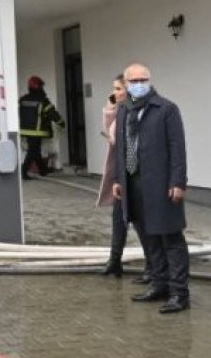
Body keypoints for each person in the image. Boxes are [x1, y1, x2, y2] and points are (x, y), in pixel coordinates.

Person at [111, 63, 191, 314]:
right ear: (126, 83)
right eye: (133, 80)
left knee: (171, 237)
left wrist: (178, 181)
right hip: (133, 182)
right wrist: (117, 179)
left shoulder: (166, 109)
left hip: (160, 183)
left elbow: (177, 147)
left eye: (143, 79)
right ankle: (159, 285)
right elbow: (121, 148)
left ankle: (179, 293)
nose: (138, 83)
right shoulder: (124, 110)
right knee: (148, 236)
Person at [95, 75, 133, 278]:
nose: (114, 93)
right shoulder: (121, 111)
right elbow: (111, 131)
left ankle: (154, 269)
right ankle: (114, 261)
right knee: (119, 219)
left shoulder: (133, 112)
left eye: (118, 88)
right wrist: (110, 107)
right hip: (121, 174)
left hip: (132, 174)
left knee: (141, 223)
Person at [18, 75, 64, 179]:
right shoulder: (43, 101)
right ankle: (23, 172)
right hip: (37, 131)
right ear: (38, 87)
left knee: (35, 150)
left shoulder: (23, 100)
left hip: (25, 130)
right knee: (32, 151)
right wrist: (61, 122)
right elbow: (53, 114)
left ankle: (42, 171)